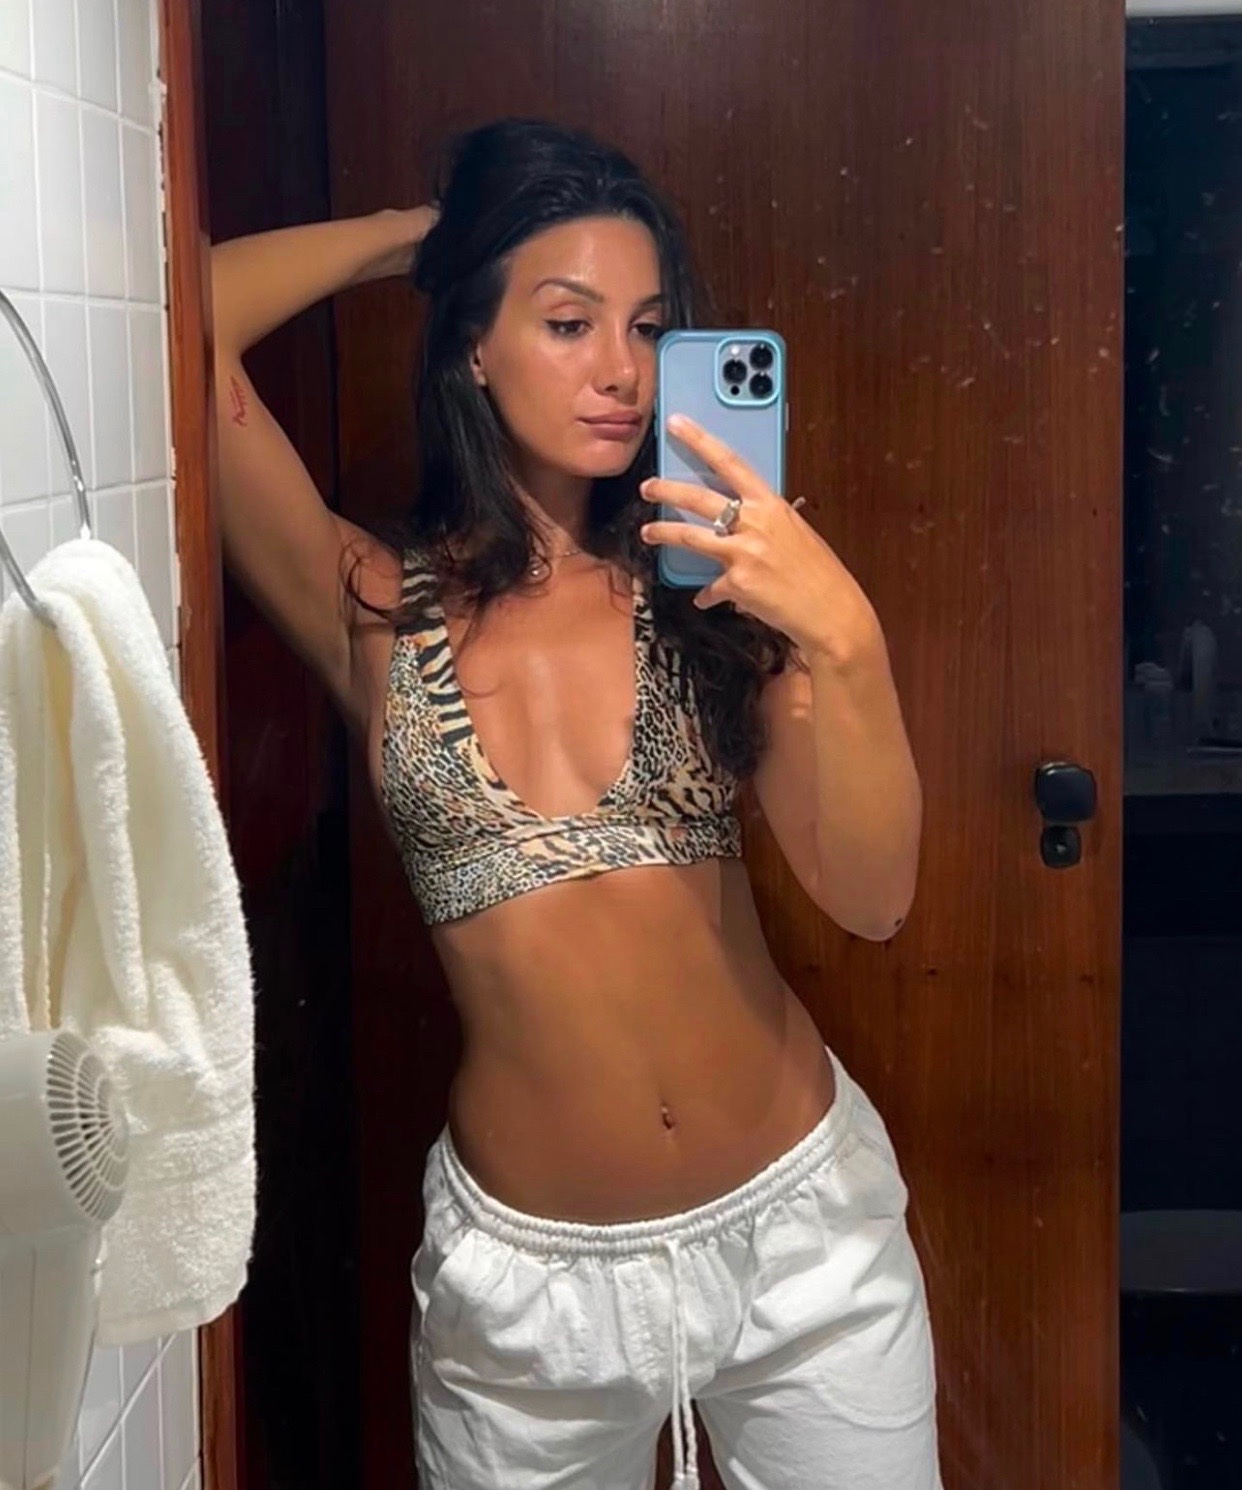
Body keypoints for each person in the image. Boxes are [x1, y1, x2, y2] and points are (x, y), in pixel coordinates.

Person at [210, 117, 940, 1490]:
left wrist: (843, 639)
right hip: (527, 1304)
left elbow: (874, 898)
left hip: (807, 1251)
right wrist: (430, 241)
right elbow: (187, 319)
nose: (621, 369)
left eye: (648, 328)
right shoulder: (373, 607)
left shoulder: (715, 593)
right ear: (471, 346)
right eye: (565, 321)